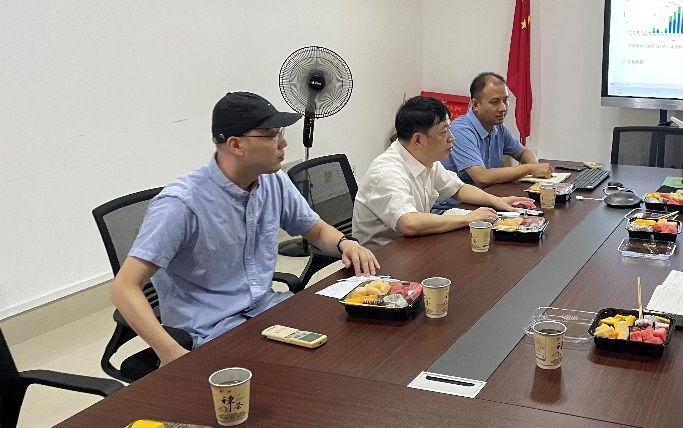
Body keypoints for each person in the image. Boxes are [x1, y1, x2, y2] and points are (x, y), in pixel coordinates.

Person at [112, 92, 380, 366]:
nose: (283, 143)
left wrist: (345, 243)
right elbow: (124, 288)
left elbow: (316, 230)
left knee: (349, 346)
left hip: (267, 312)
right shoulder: (181, 204)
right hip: (211, 333)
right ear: (236, 145)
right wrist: (170, 353)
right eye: (271, 135)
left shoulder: (273, 181)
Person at [353, 95, 531, 247]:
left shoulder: (425, 160)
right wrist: (469, 218)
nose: (451, 138)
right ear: (418, 140)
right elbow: (409, 223)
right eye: (444, 132)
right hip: (382, 259)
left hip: (414, 246)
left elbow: (459, 189)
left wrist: (498, 201)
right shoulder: (387, 171)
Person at [441, 72, 552, 187]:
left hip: (487, 194)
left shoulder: (498, 127)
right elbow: (482, 177)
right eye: (495, 102)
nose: (503, 108)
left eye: (505, 100)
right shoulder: (460, 130)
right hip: (458, 198)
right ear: (475, 104)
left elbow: (524, 153)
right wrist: (530, 168)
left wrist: (534, 166)